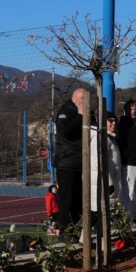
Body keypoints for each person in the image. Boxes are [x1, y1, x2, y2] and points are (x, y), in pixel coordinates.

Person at [53, 87, 85, 229]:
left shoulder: (82, 112)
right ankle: (65, 230)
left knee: (78, 198)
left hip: (80, 162)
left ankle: (76, 227)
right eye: (82, 99)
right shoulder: (65, 112)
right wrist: (79, 116)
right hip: (67, 162)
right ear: (75, 99)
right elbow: (67, 132)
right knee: (68, 199)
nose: (85, 103)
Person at [115, 98, 136, 220]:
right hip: (129, 164)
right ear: (126, 110)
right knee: (129, 192)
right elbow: (121, 143)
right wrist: (127, 156)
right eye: (131, 109)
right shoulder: (123, 125)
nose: (134, 111)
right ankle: (127, 217)